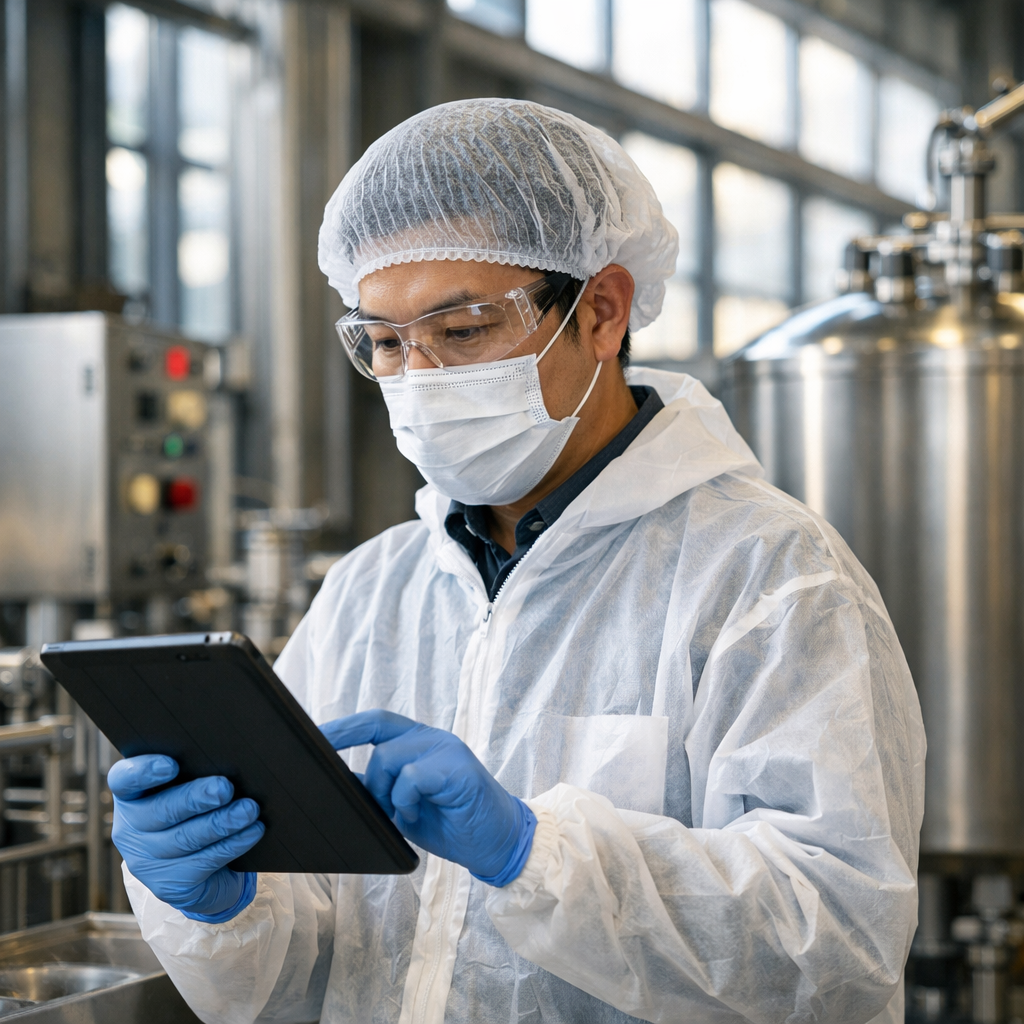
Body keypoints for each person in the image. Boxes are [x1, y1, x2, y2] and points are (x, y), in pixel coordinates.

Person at [108, 99, 925, 1024]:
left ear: (602, 310)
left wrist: (532, 853)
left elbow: (838, 945)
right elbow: (311, 965)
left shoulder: (769, 579)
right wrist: (220, 898)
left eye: (462, 333)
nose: (420, 381)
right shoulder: (372, 591)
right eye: (384, 343)